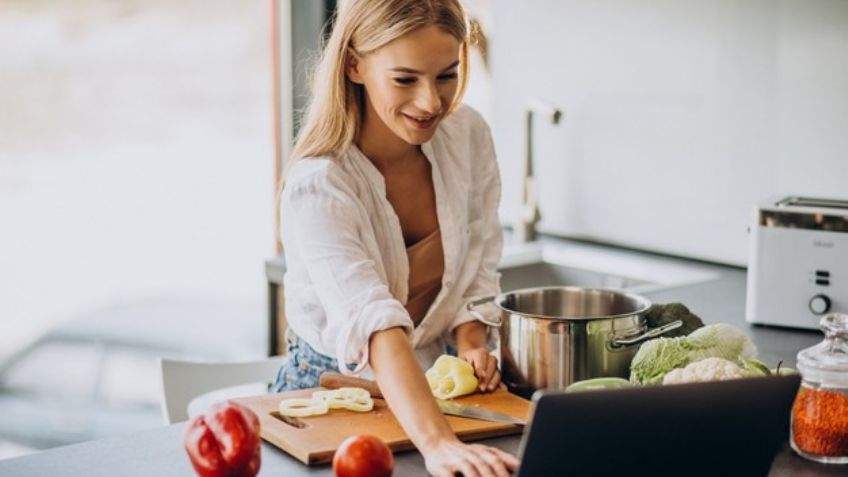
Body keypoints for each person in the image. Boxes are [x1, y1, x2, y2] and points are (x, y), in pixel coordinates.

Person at [273, 1, 517, 475]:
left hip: (431, 391)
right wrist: (439, 445)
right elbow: (375, 324)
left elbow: (478, 267)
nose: (431, 103)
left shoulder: (467, 136)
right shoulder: (318, 186)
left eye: (446, 76)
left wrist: (470, 343)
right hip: (330, 398)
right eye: (405, 79)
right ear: (354, 65)